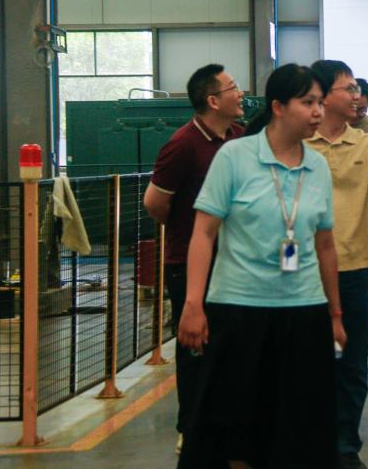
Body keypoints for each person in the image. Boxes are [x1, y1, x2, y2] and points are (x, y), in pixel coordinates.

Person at [175, 63, 345, 468]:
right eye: (308, 103)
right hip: (239, 310)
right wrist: (194, 304)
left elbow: (325, 245)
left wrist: (335, 315)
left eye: (320, 103)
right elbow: (204, 234)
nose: (318, 112)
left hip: (304, 311)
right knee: (234, 429)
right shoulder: (235, 157)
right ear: (278, 107)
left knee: (299, 429)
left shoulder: (317, 166)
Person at [142, 63, 244, 454]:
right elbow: (154, 203)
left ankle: (227, 428)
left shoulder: (238, 137)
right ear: (213, 100)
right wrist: (188, 227)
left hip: (232, 261)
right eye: (233, 87)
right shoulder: (183, 145)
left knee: (231, 348)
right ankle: (192, 429)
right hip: (188, 262)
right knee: (195, 349)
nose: (240, 93)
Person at [307, 60, 368, 469]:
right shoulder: (298, 142)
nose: (356, 95)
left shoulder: (367, 143)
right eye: (347, 88)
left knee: (352, 359)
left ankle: (346, 446)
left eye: (356, 89)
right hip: (301, 272)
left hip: (356, 266)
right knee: (305, 361)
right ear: (323, 95)